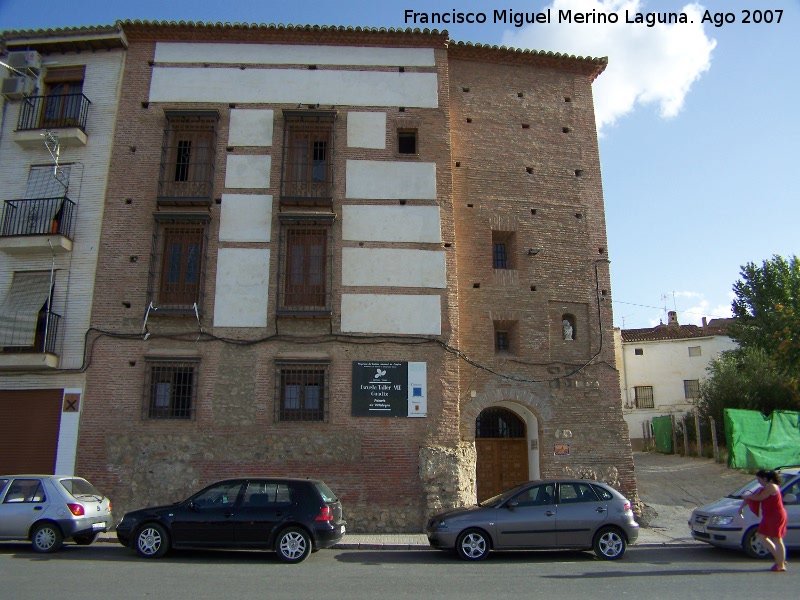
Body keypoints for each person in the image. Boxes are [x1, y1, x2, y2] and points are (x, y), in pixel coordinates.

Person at [738, 469, 788, 571]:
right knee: (762, 535)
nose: (758, 482)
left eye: (759, 479)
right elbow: (752, 497)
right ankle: (779, 559)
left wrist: (746, 496)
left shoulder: (771, 486)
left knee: (777, 539)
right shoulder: (764, 487)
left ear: (765, 478)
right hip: (768, 515)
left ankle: (781, 564)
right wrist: (741, 507)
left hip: (776, 515)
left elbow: (759, 498)